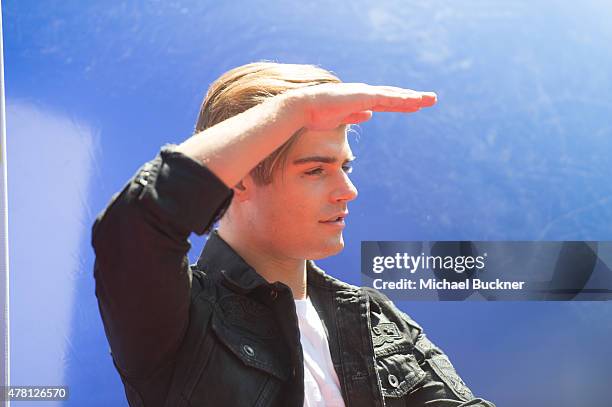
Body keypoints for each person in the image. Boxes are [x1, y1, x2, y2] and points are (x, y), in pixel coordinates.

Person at [92, 62, 495, 407]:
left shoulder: (374, 317)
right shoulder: (182, 319)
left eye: (345, 167)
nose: (347, 190)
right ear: (240, 179)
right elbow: (134, 229)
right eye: (316, 170)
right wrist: (294, 109)